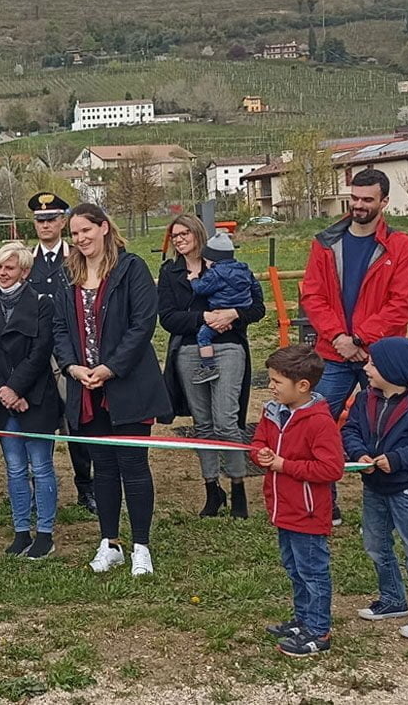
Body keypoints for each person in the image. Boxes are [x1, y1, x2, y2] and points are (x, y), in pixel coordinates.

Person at [52, 204, 171, 577]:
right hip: (86, 386)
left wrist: (110, 368)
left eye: (86, 230)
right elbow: (59, 327)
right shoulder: (68, 274)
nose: (80, 239)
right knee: (102, 467)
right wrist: (72, 367)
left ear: (104, 228)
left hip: (128, 384)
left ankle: (141, 547)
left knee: (133, 466)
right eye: (74, 234)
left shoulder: (131, 268)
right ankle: (110, 543)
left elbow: (142, 324)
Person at [157, 214, 266, 519]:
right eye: (175, 235)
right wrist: (203, 318)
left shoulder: (228, 265)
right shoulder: (170, 272)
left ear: (198, 233)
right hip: (190, 349)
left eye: (184, 233)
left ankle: (238, 486)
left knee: (226, 421)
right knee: (203, 423)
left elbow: (257, 307)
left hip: (228, 346)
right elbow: (168, 318)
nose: (179, 239)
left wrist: (233, 314)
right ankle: (212, 488)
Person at [341, 337, 408, 640]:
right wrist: (359, 453)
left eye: (373, 364)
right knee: (375, 545)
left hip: (407, 491)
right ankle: (392, 599)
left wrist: (398, 459)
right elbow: (350, 430)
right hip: (373, 486)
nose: (366, 368)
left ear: (393, 370)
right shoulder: (364, 399)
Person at [299, 167, 408, 417]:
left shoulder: (403, 248)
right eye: (354, 198)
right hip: (334, 352)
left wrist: (357, 339)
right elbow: (313, 296)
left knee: (387, 423)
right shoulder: (325, 244)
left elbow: (402, 305)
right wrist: (338, 337)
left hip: (381, 355)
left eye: (367, 200)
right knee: (313, 420)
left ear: (384, 201)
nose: (358, 205)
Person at [252, 345, 344, 658]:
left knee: (313, 573)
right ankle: (303, 620)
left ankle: (318, 631)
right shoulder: (272, 412)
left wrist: (284, 465)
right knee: (294, 568)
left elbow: (331, 469)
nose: (271, 386)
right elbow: (258, 442)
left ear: (302, 386)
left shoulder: (319, 422)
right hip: (283, 509)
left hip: (308, 513)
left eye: (277, 381)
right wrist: (261, 454)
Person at [0, 242, 62, 559]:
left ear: (24, 271)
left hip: (36, 399)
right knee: (14, 468)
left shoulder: (42, 305)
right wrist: (4, 392)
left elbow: (40, 352)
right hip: (2, 402)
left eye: (9, 267)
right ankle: (21, 531)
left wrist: (17, 390)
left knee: (41, 466)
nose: (2, 273)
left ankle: (45, 534)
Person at [28, 191, 93, 515]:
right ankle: (40, 487)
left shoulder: (77, 257)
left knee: (77, 420)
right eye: (40, 220)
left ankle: (86, 486)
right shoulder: (27, 260)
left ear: (63, 222)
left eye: (51, 219)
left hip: (71, 349)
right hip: (38, 352)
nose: (45, 225)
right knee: (41, 421)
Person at [187, 232, 253, 384]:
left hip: (219, 311)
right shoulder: (244, 270)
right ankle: (229, 325)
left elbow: (201, 289)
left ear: (212, 258)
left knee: (203, 336)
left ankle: (208, 366)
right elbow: (254, 290)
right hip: (241, 309)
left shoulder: (215, 273)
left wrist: (194, 279)